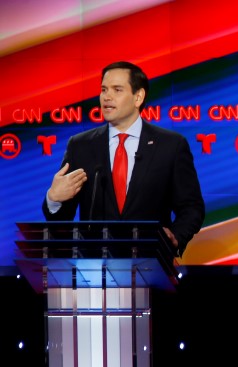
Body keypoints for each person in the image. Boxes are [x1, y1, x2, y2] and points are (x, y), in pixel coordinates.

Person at [43, 61, 205, 256]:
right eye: (103, 90)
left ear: (138, 97)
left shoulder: (171, 145)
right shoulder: (80, 145)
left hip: (150, 263)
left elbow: (191, 207)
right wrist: (54, 199)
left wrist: (176, 237)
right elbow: (61, 220)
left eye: (117, 90)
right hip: (94, 268)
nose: (106, 97)